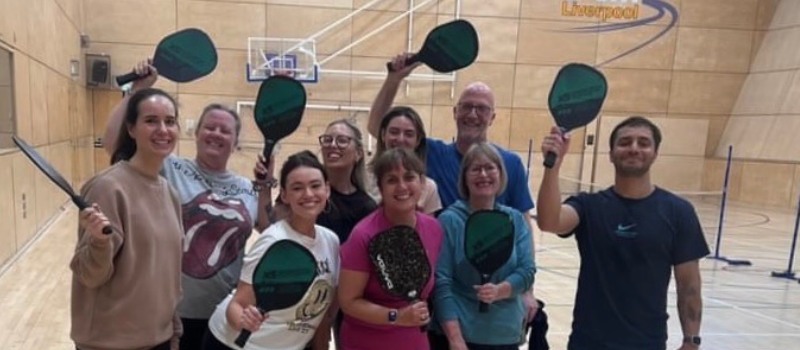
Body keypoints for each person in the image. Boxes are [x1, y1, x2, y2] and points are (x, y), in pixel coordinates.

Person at [103, 60, 272, 349]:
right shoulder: (167, 167)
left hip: (225, 313)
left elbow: (269, 229)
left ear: (236, 141)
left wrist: (267, 186)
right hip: (169, 312)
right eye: (210, 127)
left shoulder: (248, 188)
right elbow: (113, 143)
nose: (216, 134)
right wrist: (138, 91)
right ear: (196, 132)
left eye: (225, 130)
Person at [367, 52, 540, 333]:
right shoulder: (431, 153)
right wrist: (393, 79)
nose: (473, 114)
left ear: (492, 117)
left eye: (482, 109)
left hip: (493, 298)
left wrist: (527, 290)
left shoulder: (509, 164)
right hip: (441, 286)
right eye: (467, 107)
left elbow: (524, 225)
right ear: (455, 112)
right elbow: (379, 128)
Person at [536, 116, 709, 350]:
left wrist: (692, 340)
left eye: (643, 143)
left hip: (647, 343)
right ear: (611, 153)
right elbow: (549, 222)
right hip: (588, 342)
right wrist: (553, 167)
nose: (634, 148)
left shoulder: (679, 212)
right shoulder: (589, 206)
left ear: (655, 153)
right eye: (625, 142)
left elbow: (689, 285)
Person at [72, 88, 183, 350]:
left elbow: (166, 274)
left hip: (159, 340)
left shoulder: (170, 192)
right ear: (131, 129)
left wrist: (173, 330)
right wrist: (98, 243)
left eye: (170, 121)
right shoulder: (108, 188)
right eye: (151, 121)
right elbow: (89, 276)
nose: (163, 130)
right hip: (108, 343)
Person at [203, 151, 340, 350]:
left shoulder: (331, 241)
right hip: (233, 344)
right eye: (297, 188)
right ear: (284, 195)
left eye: (315, 185)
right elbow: (236, 304)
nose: (308, 194)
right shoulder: (273, 240)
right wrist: (243, 320)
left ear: (327, 189)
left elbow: (321, 309)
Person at [338, 147, 443, 350]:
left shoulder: (434, 229)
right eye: (392, 180)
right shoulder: (363, 235)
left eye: (409, 177)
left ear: (422, 183)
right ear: (381, 187)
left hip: (414, 341)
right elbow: (348, 302)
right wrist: (396, 316)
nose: (402, 186)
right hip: (366, 342)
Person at [433, 143, 535, 350]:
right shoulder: (449, 221)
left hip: (506, 335)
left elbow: (527, 271)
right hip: (461, 337)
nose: (483, 174)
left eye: (490, 168)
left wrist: (500, 291)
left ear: (500, 174)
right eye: (475, 169)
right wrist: (455, 339)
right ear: (464, 177)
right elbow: (442, 282)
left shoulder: (514, 219)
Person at [367, 106, 442, 214]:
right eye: (394, 132)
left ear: (418, 140)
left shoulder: (428, 187)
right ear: (383, 135)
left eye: (409, 134)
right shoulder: (363, 179)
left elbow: (427, 229)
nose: (401, 139)